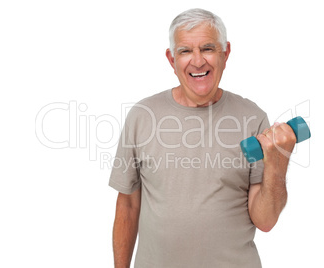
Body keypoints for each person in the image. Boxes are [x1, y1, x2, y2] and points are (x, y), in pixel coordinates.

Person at [109, 8, 296, 268]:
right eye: (185, 51)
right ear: (172, 59)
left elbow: (264, 221)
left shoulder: (252, 119)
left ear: (225, 53)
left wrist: (278, 163)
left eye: (207, 48)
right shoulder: (142, 116)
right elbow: (128, 205)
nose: (197, 61)